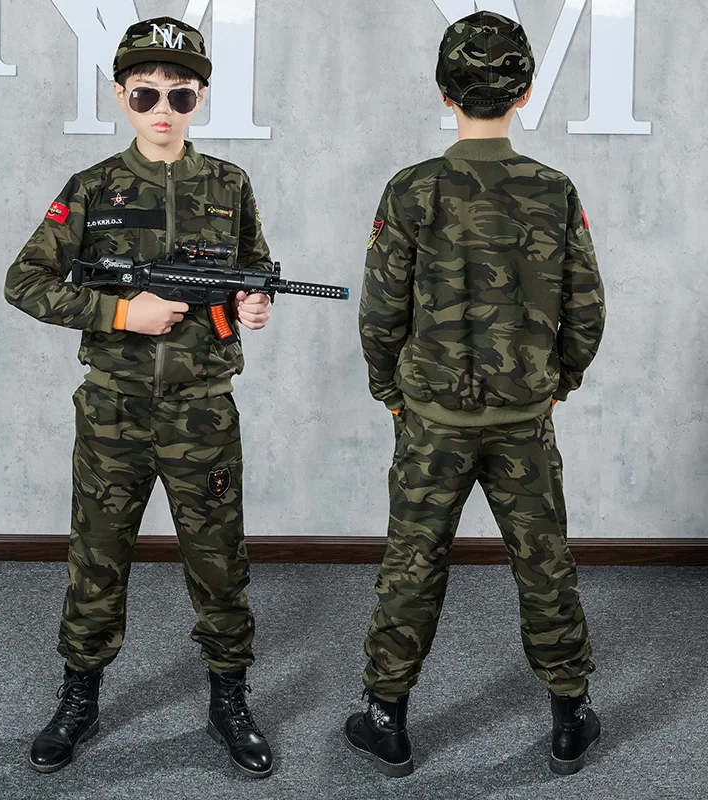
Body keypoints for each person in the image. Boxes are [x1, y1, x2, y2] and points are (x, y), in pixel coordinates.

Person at [4, 17, 274, 779]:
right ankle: (79, 696)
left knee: (220, 562)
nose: (163, 106)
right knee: (97, 560)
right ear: (121, 95)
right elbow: (24, 282)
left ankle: (229, 697)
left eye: (180, 93)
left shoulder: (230, 185)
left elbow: (250, 272)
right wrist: (121, 312)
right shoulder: (92, 188)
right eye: (146, 91)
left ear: (200, 99)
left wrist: (252, 308)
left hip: (203, 411)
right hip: (114, 412)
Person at [345, 11, 606, 778]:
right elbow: (585, 307)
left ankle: (386, 718)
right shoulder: (553, 190)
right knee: (543, 560)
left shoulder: (412, 189)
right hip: (524, 417)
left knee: (412, 561)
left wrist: (390, 390)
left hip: (432, 419)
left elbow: (381, 310)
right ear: (523, 91)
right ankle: (568, 717)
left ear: (442, 92)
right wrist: (559, 381)